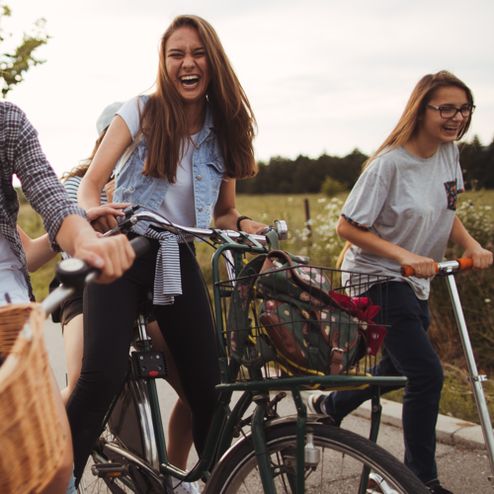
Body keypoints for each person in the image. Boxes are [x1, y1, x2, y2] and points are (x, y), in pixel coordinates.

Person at [67, 14, 266, 488]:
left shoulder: (226, 128)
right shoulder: (141, 110)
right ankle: (64, 482)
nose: (187, 63)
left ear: (212, 61)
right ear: (164, 62)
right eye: (176, 54)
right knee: (101, 376)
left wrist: (243, 225)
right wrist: (95, 221)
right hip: (124, 254)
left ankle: (208, 480)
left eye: (197, 53)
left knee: (208, 390)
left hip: (176, 261)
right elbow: (89, 186)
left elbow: (223, 211)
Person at [306, 71, 493, 494]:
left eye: (464, 109)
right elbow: (347, 227)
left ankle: (329, 406)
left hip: (414, 281)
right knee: (426, 373)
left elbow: (449, 208)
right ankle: (419, 481)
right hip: (376, 278)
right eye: (446, 108)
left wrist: (470, 244)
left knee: (396, 368)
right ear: (421, 109)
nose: (456, 118)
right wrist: (406, 255)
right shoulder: (389, 164)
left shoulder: (449, 153)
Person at [0, 100, 134, 493]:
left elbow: (52, 201)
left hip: (9, 313)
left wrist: (84, 237)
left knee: (55, 468)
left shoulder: (8, 123)